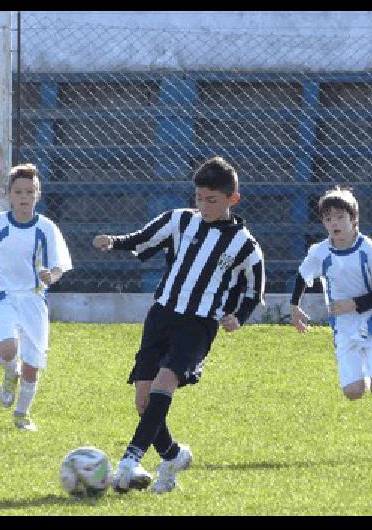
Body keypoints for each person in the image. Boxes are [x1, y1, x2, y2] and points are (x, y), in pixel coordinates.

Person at [93, 156, 265, 494]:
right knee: (144, 400)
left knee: (166, 380)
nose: (203, 205)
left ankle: (130, 458)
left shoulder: (246, 246)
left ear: (232, 199)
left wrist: (238, 317)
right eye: (198, 198)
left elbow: (254, 290)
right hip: (161, 316)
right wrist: (113, 241)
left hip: (198, 325)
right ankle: (172, 455)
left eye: (211, 200)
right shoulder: (178, 221)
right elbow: (141, 238)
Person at [290, 186, 372, 462]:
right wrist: (294, 306)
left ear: (354, 220)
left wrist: (353, 303)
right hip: (345, 327)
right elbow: (303, 275)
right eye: (328, 219)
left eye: (340, 217)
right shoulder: (320, 251)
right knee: (353, 392)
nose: (334, 224)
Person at [0, 163, 72, 432]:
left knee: (32, 365)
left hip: (33, 301)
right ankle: (9, 374)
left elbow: (58, 266)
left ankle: (22, 414)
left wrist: (51, 276)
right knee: (7, 349)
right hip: (3, 297)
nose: (24, 197)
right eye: (18, 191)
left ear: (37, 195)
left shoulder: (46, 228)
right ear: (9, 195)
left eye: (30, 191)